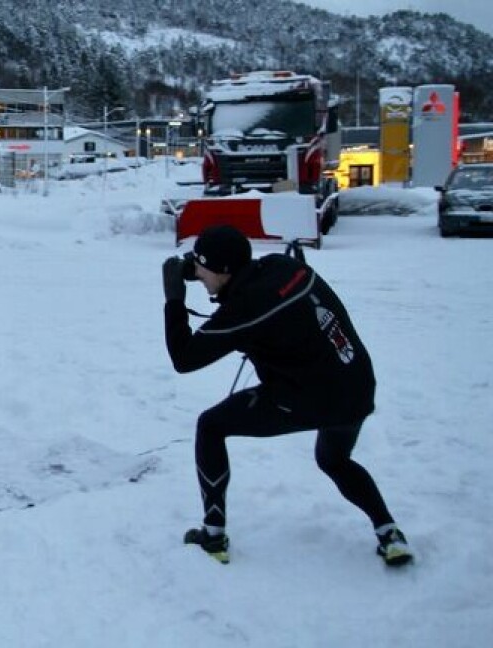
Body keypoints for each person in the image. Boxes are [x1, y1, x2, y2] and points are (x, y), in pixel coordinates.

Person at [161, 224, 412, 567]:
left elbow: (184, 358)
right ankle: (389, 533)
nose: (198, 274)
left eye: (201, 267)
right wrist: (201, 271)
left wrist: (174, 300)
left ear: (222, 270)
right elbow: (245, 285)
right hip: (356, 385)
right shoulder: (284, 267)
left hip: (306, 399)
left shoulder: (246, 309)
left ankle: (214, 535)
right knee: (335, 461)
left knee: (211, 426)